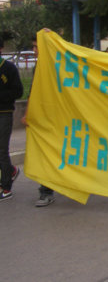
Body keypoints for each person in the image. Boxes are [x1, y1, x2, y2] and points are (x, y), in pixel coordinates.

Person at [21, 35, 56, 206]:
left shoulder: (58, 66)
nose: (35, 50)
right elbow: (33, 93)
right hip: (42, 117)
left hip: (59, 118)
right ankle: (46, 191)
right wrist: (28, 113)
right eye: (34, 47)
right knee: (45, 154)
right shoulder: (37, 68)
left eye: (38, 47)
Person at [0, 37, 24, 201]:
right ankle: (11, 170)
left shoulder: (8, 68)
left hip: (4, 113)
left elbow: (18, 92)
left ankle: (6, 187)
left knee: (2, 150)